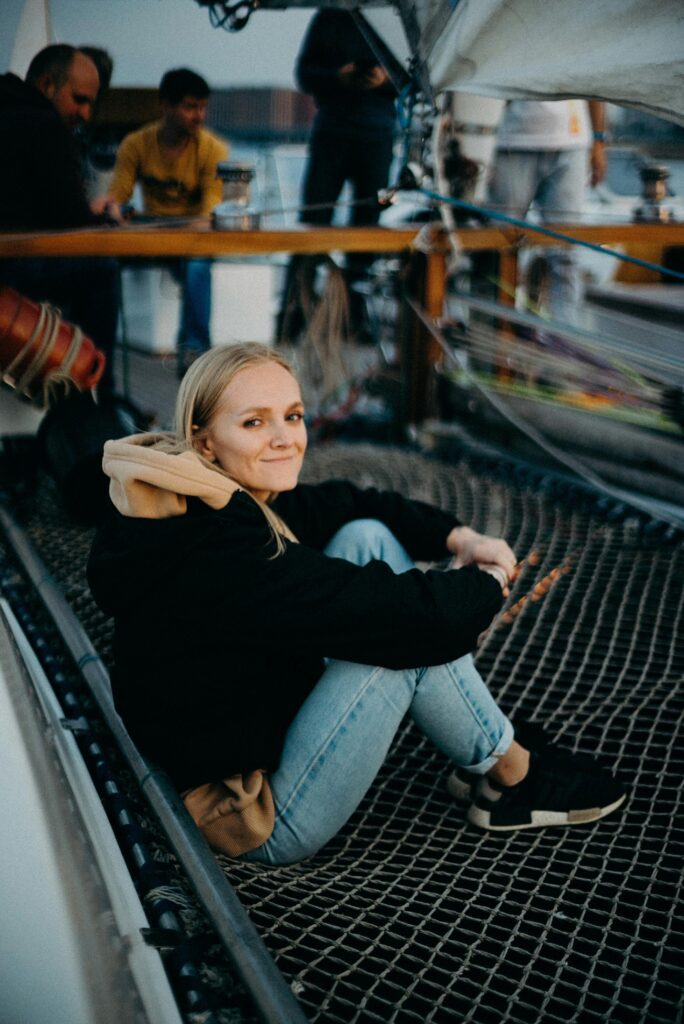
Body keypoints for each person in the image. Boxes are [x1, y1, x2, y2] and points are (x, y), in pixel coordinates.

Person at [87, 342, 626, 865]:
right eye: (254, 422)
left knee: (365, 534)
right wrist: (489, 583)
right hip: (249, 809)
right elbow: (411, 618)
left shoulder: (205, 494)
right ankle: (511, 776)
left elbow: (346, 502)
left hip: (252, 724)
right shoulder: (219, 551)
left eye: (293, 416)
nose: (284, 438)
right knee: (401, 638)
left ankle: (485, 753)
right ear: (205, 443)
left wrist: (459, 538)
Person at [0, 44, 119, 393]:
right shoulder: (42, 123)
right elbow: (73, 222)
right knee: (101, 269)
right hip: (10, 268)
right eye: (79, 100)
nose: (85, 114)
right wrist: (105, 219)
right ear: (48, 85)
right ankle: (95, 392)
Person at [278, 10, 400, 343]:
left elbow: (412, 75)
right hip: (332, 131)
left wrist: (384, 79)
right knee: (313, 223)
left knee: (367, 225)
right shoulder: (328, 17)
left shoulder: (392, 18)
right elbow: (304, 75)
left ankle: (353, 317)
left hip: (376, 136)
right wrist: (339, 76)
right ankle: (293, 314)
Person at [97, 68, 228, 377]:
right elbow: (118, 194)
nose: (199, 115)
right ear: (165, 106)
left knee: (198, 264)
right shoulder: (136, 144)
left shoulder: (213, 150)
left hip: (191, 236)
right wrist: (115, 211)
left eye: (203, 107)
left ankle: (194, 352)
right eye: (190, 106)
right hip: (150, 231)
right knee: (101, 265)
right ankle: (99, 349)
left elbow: (210, 213)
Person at [486, 99, 608, 324]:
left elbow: (593, 80)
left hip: (572, 141)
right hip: (511, 140)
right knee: (499, 250)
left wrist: (599, 139)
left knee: (566, 255)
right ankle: (495, 342)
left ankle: (564, 342)